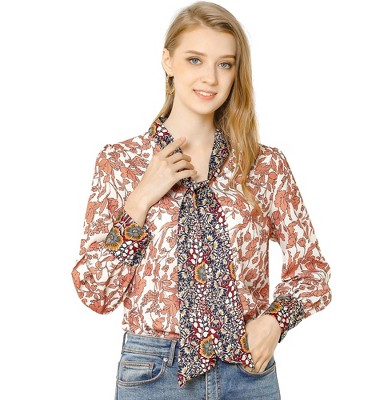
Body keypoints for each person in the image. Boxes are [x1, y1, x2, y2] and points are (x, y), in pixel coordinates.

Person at [71, 2, 332, 399]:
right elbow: (97, 294)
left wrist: (275, 321)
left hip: (248, 372)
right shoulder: (120, 162)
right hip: (155, 373)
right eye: (195, 59)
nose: (210, 77)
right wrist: (141, 197)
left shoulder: (264, 165)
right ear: (168, 61)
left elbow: (312, 269)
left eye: (225, 64)